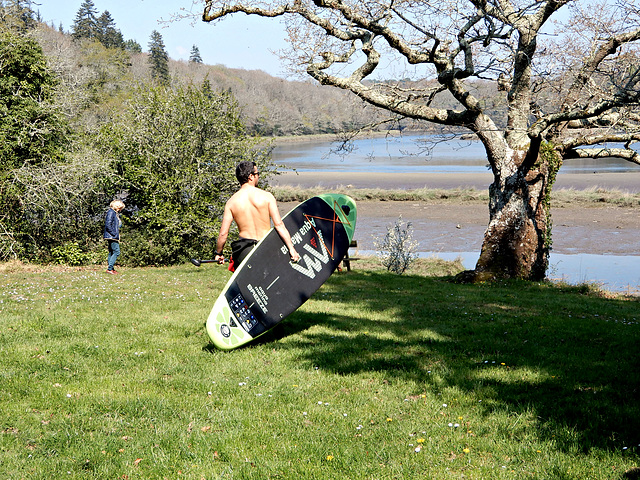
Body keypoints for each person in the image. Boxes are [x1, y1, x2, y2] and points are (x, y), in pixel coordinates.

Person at [215, 161, 300, 271]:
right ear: (251, 176)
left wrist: (219, 253)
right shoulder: (267, 196)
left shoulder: (231, 202)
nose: (258, 176)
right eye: (257, 174)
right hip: (266, 247)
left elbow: (223, 234)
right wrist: (291, 248)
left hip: (244, 251)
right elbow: (279, 225)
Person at [103, 199, 125, 274]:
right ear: (116, 206)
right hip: (111, 236)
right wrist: (114, 234)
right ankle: (109, 269)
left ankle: (111, 269)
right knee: (116, 251)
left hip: (111, 235)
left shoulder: (114, 213)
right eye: (120, 208)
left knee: (111, 252)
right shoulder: (111, 212)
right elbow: (108, 225)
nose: (120, 209)